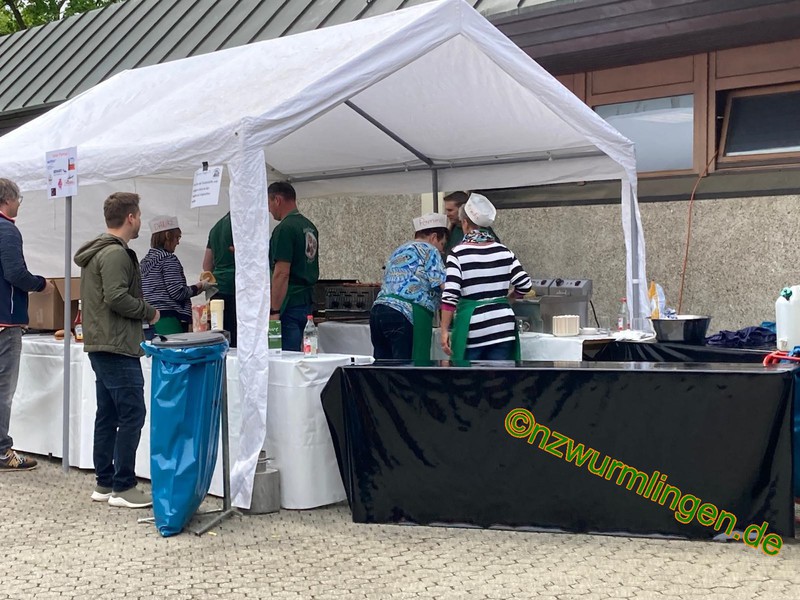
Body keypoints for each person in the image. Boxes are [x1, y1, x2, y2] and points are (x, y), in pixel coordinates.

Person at [74, 192, 159, 508]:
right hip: (117, 345)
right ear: (131, 217)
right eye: (139, 216)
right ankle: (123, 485)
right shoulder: (115, 254)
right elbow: (116, 297)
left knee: (108, 414)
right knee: (132, 412)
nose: (140, 221)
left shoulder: (99, 251)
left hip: (104, 343)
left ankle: (105, 482)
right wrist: (149, 312)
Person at [0, 179, 54, 471]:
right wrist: (41, 284)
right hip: (5, 320)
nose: (19, 204)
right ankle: (1, 451)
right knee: (3, 389)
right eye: (19, 199)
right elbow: (15, 273)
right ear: (8, 199)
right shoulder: (7, 230)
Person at [440, 193, 532, 361]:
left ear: (465, 223)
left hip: (472, 327)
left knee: (470, 376)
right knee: (499, 376)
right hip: (503, 326)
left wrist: (444, 329)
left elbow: (450, 295)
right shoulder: (504, 251)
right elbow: (525, 284)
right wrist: (509, 299)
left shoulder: (458, 254)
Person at [370, 213, 448, 360]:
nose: (442, 250)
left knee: (382, 367)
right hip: (406, 313)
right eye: (442, 244)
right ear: (434, 237)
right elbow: (443, 285)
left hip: (378, 311)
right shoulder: (430, 250)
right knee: (406, 368)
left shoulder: (399, 250)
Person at [268, 181, 319, 351]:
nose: (269, 210)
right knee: (304, 354)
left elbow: (281, 273)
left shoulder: (284, 229)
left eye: (269, 203)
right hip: (307, 303)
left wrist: (274, 310)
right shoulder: (310, 226)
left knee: (286, 357)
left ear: (277, 200)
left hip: (288, 303)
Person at [141, 215, 208, 335]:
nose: (178, 242)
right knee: (172, 347)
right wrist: (200, 286)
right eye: (177, 237)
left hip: (147, 320)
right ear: (167, 235)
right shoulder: (168, 259)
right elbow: (177, 292)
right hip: (167, 320)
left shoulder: (144, 262)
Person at [203, 212, 236, 346]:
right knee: (236, 339)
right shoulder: (241, 224)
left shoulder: (216, 228)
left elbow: (206, 266)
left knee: (219, 337)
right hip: (235, 288)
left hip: (216, 289)